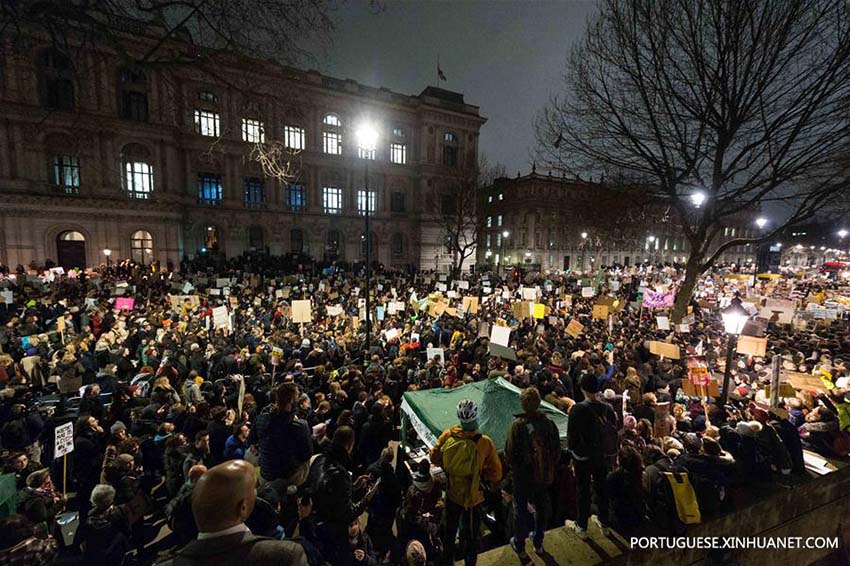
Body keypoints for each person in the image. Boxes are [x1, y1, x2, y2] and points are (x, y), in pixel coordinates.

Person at [172, 459, 308, 565]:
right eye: (254, 490)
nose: (256, 493)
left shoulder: (173, 562)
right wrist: (305, 521)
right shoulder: (286, 555)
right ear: (242, 508)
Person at [430, 399, 502, 566]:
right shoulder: (484, 442)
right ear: (477, 417)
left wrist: (449, 467)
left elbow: (434, 455)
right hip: (473, 497)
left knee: (449, 532)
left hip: (452, 493)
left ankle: (448, 561)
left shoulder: (448, 435)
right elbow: (496, 473)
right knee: (471, 536)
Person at [504, 386, 561, 559]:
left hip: (522, 477)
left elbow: (509, 453)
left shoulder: (517, 426)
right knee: (542, 507)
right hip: (542, 476)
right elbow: (556, 450)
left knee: (520, 510)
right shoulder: (548, 424)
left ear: (522, 404)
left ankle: (520, 545)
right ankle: (538, 542)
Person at [311, 426, 379, 564]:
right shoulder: (340, 474)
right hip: (332, 530)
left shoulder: (319, 459)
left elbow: (333, 494)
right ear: (350, 445)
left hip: (317, 521)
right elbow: (348, 513)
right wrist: (367, 498)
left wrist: (354, 487)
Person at [565, 373, 616, 539]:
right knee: (602, 488)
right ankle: (605, 523)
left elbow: (572, 437)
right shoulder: (607, 408)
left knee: (583, 490)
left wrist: (573, 454)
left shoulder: (577, 409)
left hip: (583, 458)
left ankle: (582, 526)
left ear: (582, 389)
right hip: (602, 456)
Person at [252, 383, 313, 489]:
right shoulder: (300, 425)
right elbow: (306, 455)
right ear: (292, 402)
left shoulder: (260, 418)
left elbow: (251, 441)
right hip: (288, 477)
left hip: (266, 473)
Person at [78, 484, 133, 565]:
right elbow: (127, 531)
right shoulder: (118, 514)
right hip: (115, 553)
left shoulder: (89, 519)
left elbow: (83, 541)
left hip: (96, 557)